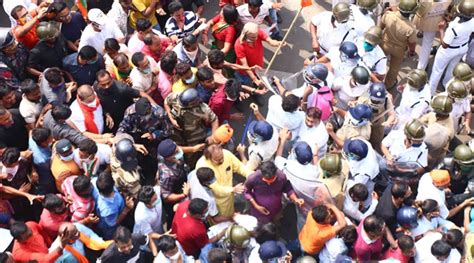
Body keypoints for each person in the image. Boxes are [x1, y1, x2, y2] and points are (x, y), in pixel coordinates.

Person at [428, 0, 474, 94]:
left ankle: (431, 92)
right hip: (462, 48)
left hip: (449, 50)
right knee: (452, 68)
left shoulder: (454, 27)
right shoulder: (472, 21)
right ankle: (446, 85)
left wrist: (441, 29)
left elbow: (444, 44)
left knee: (437, 71)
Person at [165, 88, 219, 165]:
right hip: (176, 132)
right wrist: (171, 118)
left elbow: (214, 120)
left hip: (193, 135)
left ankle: (191, 165)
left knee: (193, 154)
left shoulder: (203, 109)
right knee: (175, 150)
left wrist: (213, 137)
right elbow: (166, 102)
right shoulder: (176, 96)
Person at [196, 143, 252, 217]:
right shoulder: (203, 167)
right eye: (218, 159)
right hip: (217, 200)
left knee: (230, 213)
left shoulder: (226, 154)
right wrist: (233, 189)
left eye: (222, 157)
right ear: (208, 158)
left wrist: (251, 175)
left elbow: (240, 167)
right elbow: (215, 187)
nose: (222, 160)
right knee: (221, 219)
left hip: (229, 196)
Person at [380, 0, 417, 89]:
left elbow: (381, 27)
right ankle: (388, 85)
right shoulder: (411, 28)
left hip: (385, 43)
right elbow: (412, 43)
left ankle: (375, 80)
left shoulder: (388, 15)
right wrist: (411, 52)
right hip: (399, 49)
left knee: (378, 63)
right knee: (394, 69)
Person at [234, 22, 280, 87]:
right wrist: (255, 79)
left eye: (256, 35)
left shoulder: (257, 32)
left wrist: (278, 43)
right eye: (253, 37)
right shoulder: (238, 45)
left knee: (258, 83)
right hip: (244, 72)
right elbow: (245, 66)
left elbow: (270, 41)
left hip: (258, 68)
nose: (256, 38)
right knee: (245, 85)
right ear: (246, 34)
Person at [156, 139, 191, 226]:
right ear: (169, 157)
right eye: (176, 151)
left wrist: (194, 148)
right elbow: (166, 197)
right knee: (176, 218)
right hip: (175, 194)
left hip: (181, 177)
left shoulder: (165, 152)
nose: (179, 150)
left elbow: (180, 149)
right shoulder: (167, 175)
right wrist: (184, 195)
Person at [92, 170, 134, 239]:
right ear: (113, 183)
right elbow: (113, 223)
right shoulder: (108, 210)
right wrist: (127, 209)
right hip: (109, 228)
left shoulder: (95, 182)